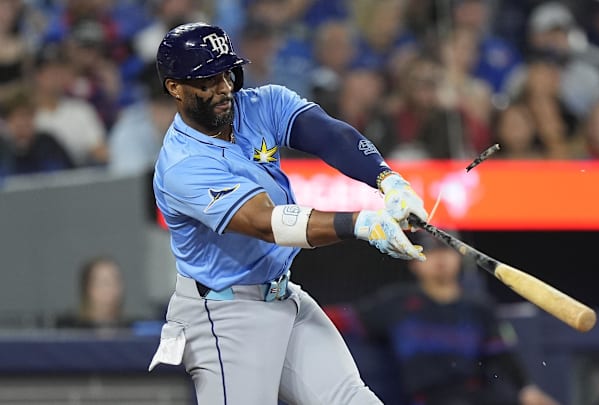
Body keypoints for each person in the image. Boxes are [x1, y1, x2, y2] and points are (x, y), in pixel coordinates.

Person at [148, 23, 428, 405]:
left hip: (281, 293)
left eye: (226, 73)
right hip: (224, 315)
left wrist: (388, 180)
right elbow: (267, 223)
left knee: (353, 399)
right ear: (175, 88)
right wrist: (359, 224)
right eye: (207, 80)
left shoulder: (261, 104)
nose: (224, 88)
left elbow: (329, 135)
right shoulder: (182, 165)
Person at [325, 231, 558, 405]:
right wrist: (299, 311)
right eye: (430, 252)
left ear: (459, 258)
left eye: (447, 251)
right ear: (414, 262)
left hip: (474, 398)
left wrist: (527, 389)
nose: (440, 260)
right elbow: (345, 319)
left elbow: (502, 357)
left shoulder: (478, 307)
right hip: (424, 398)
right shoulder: (397, 304)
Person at [56, 256, 129, 330]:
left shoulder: (129, 329)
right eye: (105, 282)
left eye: (116, 281)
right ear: (88, 287)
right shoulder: (69, 329)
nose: (113, 288)